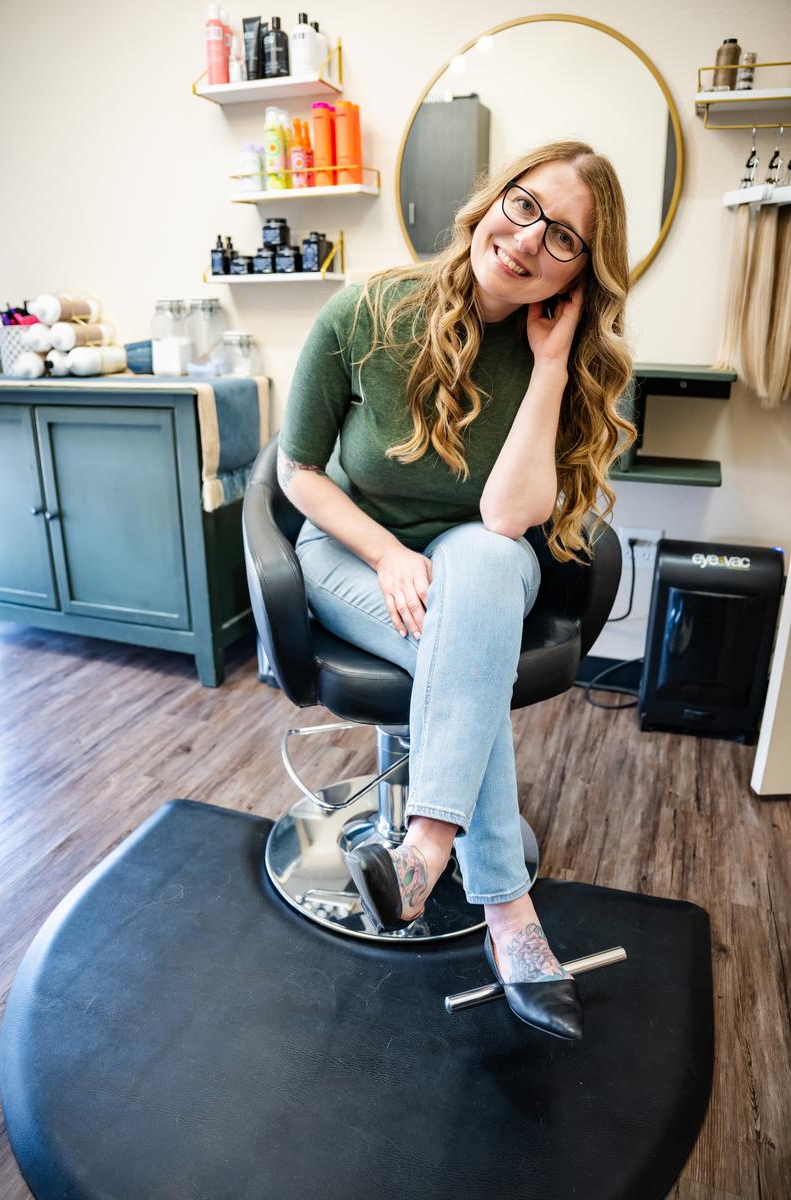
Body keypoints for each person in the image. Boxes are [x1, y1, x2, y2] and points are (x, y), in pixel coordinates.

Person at [277, 139, 636, 1038]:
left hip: (478, 559)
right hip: (352, 555)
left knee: (477, 565)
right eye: (524, 206)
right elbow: (296, 473)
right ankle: (510, 917)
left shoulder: (565, 361)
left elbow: (508, 517)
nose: (526, 241)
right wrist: (389, 557)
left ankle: (423, 848)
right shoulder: (366, 310)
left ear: (582, 273)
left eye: (562, 238)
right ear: (492, 199)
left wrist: (550, 366)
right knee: (461, 640)